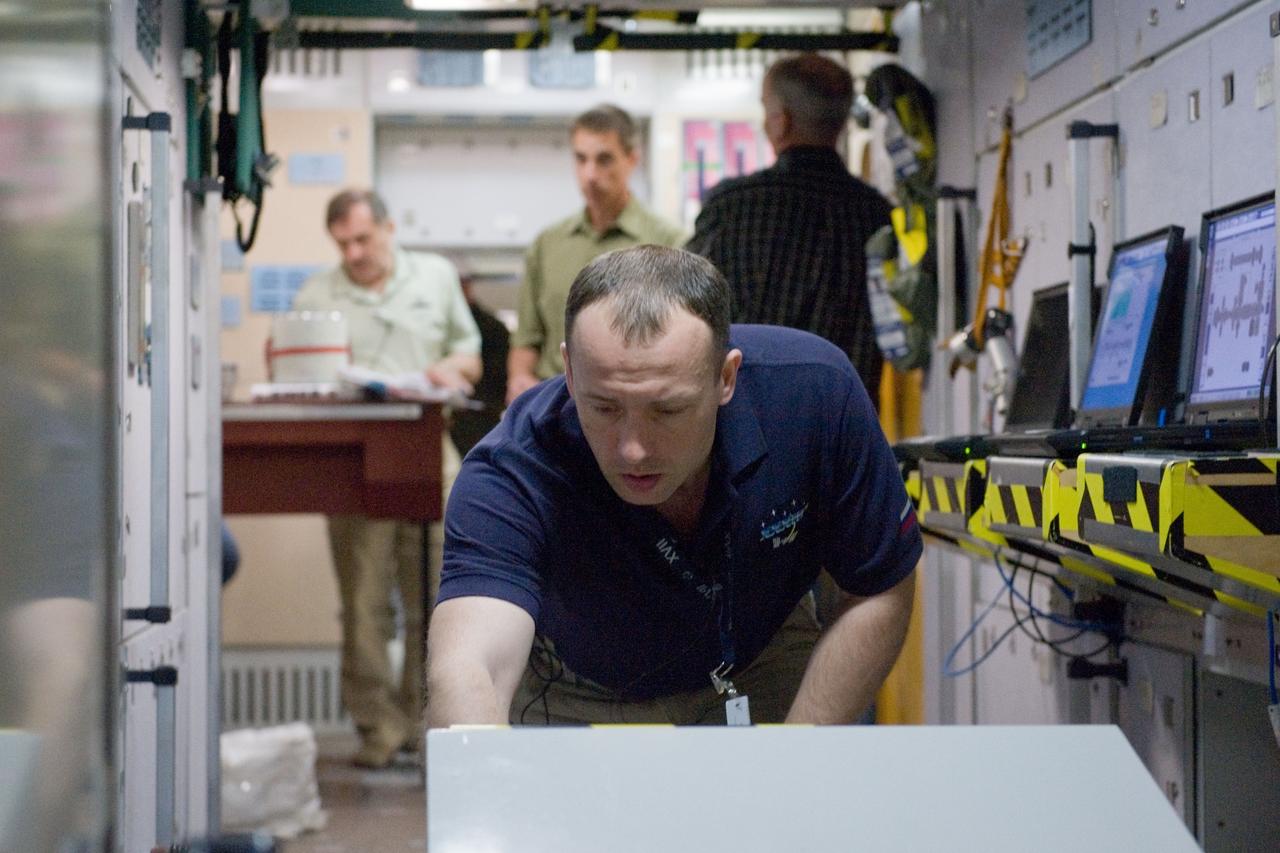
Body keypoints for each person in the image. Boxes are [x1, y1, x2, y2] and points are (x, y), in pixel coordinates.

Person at [427, 246, 920, 728]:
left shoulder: (814, 397)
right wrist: (476, 774)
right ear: (570, 374)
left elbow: (877, 587)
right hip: (580, 689)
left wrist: (797, 751)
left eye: (668, 410)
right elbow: (471, 668)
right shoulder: (512, 470)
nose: (633, 449)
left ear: (726, 377)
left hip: (760, 659)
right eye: (605, 408)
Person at [292, 189, 481, 767]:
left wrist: (445, 369)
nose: (353, 253)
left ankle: (429, 726)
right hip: (351, 464)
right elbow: (296, 372)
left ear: (389, 228)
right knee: (363, 600)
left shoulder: (435, 277)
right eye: (342, 244)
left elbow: (470, 355)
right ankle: (379, 729)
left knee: (438, 596)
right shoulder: (316, 293)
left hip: (429, 455)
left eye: (363, 239)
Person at [686, 53, 893, 404]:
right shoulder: (876, 213)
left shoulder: (732, 206)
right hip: (845, 426)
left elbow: (688, 310)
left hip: (749, 423)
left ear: (781, 122)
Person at [505, 104, 684, 404]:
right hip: (555, 406)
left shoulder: (669, 243)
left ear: (632, 159)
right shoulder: (547, 245)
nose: (590, 174)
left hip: (632, 408)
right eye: (581, 159)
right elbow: (526, 339)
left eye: (604, 160)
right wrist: (519, 379)